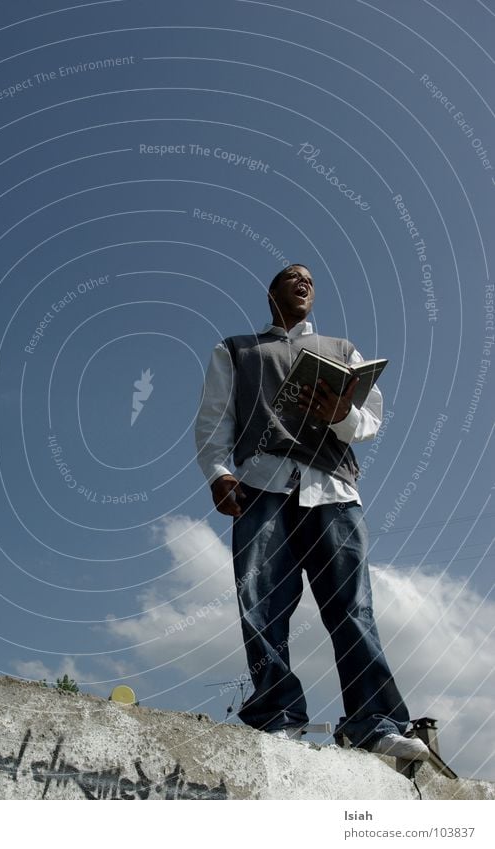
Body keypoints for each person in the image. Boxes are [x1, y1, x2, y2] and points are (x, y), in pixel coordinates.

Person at [194, 264, 428, 761]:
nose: (303, 281)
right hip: (261, 486)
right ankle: (278, 715)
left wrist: (341, 413)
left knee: (352, 608)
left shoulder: (343, 352)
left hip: (334, 491)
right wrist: (218, 473)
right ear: (272, 292)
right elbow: (215, 418)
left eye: (310, 279)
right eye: (291, 277)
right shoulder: (236, 350)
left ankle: (375, 722)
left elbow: (371, 423)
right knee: (261, 607)